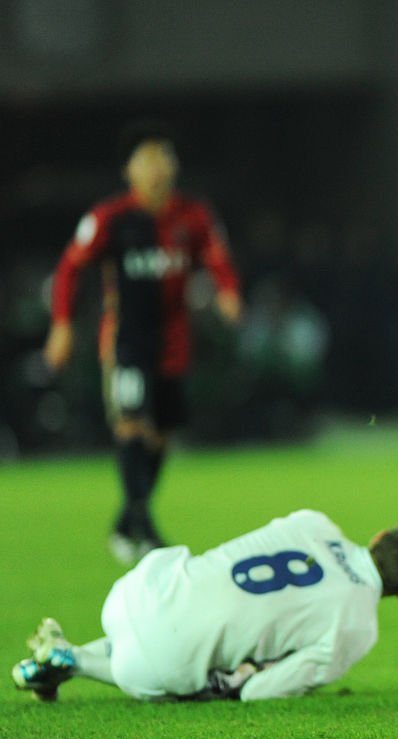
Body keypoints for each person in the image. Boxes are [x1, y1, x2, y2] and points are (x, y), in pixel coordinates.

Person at [42, 120, 243, 563]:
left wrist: (228, 291)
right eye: (146, 159)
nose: (156, 168)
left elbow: (217, 258)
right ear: (128, 170)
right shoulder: (109, 220)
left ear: (175, 166)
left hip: (173, 343)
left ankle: (127, 519)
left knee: (162, 434)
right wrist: (62, 324)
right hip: (125, 341)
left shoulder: (194, 217)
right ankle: (146, 528)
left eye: (162, 158)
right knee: (131, 422)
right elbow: (70, 268)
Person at [12, 510, 398, 702]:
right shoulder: (358, 628)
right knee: (193, 667)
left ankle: (70, 657)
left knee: (184, 603)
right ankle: (77, 663)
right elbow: (260, 691)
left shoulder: (315, 522)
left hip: (134, 591)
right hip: (154, 666)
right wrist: (244, 676)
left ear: (379, 536)